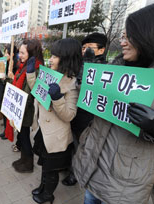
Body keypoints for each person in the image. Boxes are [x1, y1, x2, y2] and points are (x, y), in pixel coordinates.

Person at [73, 4, 154, 204]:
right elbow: (92, 101)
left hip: (124, 187)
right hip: (94, 169)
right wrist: (87, 77)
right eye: (122, 36)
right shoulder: (113, 69)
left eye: (129, 37)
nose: (123, 42)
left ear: (147, 36)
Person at [27, 38, 82, 204]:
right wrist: (31, 73)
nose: (50, 59)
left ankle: (47, 195)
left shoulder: (72, 83)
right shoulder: (50, 74)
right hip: (44, 131)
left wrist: (57, 98)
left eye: (55, 56)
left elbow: (69, 115)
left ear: (66, 58)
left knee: (51, 170)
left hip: (56, 137)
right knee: (44, 165)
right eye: (51, 55)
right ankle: (42, 188)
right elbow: (37, 89)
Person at [62, 33, 108, 186]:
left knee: (82, 146)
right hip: (75, 111)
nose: (85, 51)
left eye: (90, 47)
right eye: (83, 48)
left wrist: (90, 69)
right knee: (73, 141)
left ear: (101, 50)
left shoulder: (108, 71)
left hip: (89, 117)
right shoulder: (79, 64)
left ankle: (76, 173)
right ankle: (69, 166)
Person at [6, 39, 44, 173]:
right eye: (19, 53)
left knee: (24, 137)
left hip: (26, 109)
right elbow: (18, 85)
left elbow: (30, 92)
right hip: (20, 108)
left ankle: (28, 164)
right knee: (22, 136)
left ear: (32, 53)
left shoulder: (35, 69)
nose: (19, 55)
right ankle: (23, 159)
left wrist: (19, 108)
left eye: (22, 53)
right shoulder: (23, 66)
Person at [0, 44, 18, 141]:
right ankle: (5, 130)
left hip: (10, 92)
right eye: (5, 53)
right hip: (3, 89)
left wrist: (9, 75)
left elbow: (14, 80)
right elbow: (1, 77)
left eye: (7, 53)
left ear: (12, 54)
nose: (5, 55)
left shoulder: (15, 65)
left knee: (8, 113)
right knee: (4, 111)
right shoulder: (5, 63)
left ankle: (8, 132)